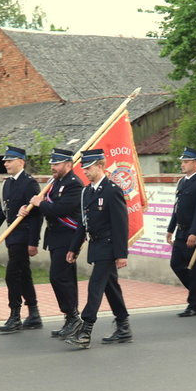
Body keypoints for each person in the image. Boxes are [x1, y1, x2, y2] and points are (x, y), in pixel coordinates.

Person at [65, 149, 130, 349]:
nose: (85, 171)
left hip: (109, 246)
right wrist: (74, 248)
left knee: (95, 286)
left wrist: (121, 254)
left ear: (100, 166)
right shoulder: (87, 191)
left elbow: (121, 224)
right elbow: (82, 223)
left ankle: (86, 331)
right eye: (83, 167)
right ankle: (124, 326)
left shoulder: (112, 190)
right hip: (96, 245)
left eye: (89, 167)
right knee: (110, 287)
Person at [0, 146, 43, 333]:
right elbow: (1, 211)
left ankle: (15, 315)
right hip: (11, 236)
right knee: (23, 274)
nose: (6, 164)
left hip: (23, 237)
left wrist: (33, 242)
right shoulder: (6, 184)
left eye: (9, 161)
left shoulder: (29, 183)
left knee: (12, 274)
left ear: (21, 162)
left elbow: (36, 215)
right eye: (5, 161)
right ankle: (34, 314)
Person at [23, 147, 84, 338]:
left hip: (68, 237)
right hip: (56, 237)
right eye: (52, 164)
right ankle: (70, 318)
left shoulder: (74, 184)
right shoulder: (55, 183)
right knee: (62, 278)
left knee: (60, 278)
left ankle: (73, 317)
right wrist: (30, 208)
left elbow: (60, 209)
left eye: (56, 164)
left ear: (68, 164)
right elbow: (47, 207)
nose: (52, 167)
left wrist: (40, 204)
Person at [166, 147, 196, 317]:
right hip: (181, 231)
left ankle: (194, 305)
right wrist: (171, 229)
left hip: (195, 233)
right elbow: (176, 208)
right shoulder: (182, 182)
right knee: (176, 264)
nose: (183, 165)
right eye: (182, 162)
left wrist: (195, 233)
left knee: (194, 269)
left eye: (186, 162)